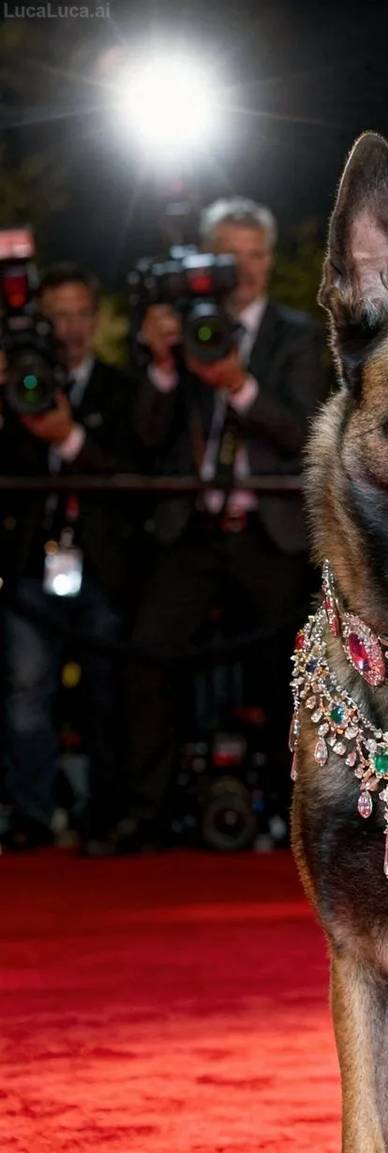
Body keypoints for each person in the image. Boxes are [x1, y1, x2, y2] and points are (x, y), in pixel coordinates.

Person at [120, 196, 325, 848]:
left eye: (258, 255)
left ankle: (298, 820)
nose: (248, 268)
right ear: (209, 263)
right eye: (232, 256)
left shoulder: (296, 336)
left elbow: (306, 433)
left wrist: (239, 385)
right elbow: (146, 437)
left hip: (269, 534)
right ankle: (146, 813)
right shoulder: (177, 330)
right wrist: (159, 364)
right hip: (192, 532)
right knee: (148, 656)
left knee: (284, 676)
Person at [0, 263, 139, 852]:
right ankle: (34, 811)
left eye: (81, 313)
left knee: (107, 691)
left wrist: (68, 437)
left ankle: (103, 817)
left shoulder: (120, 387)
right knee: (27, 690)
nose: (71, 327)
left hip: (102, 563)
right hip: (31, 561)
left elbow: (135, 466)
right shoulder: (14, 387)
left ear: (97, 318)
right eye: (58, 315)